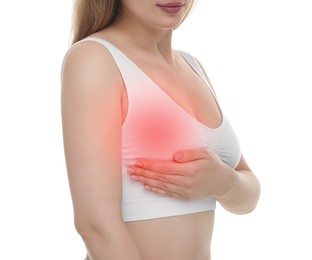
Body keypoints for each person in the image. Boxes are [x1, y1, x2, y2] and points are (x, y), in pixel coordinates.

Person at [61, 0, 261, 259]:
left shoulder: (192, 66)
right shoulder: (95, 59)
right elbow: (96, 226)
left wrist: (222, 182)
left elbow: (248, 197)